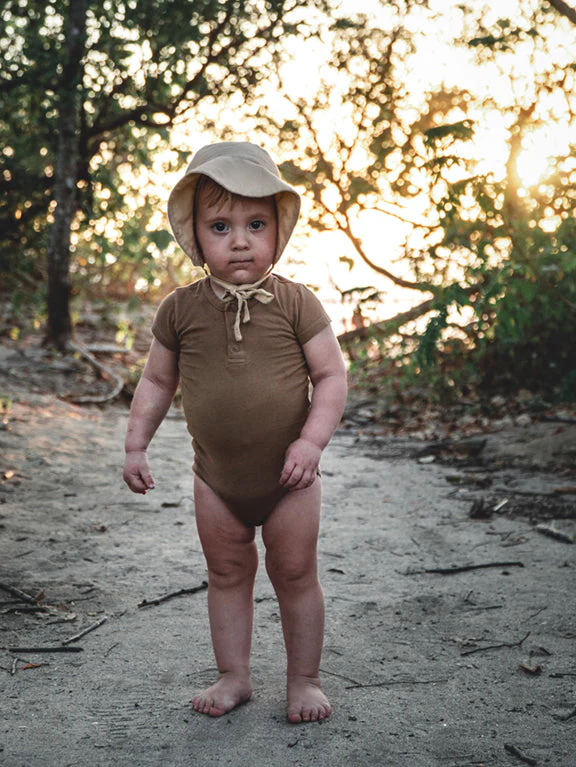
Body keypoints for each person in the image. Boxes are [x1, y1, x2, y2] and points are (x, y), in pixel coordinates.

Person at [123, 142, 348, 723]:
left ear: (279, 229)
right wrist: (136, 445)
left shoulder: (296, 303)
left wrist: (311, 443)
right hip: (216, 480)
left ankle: (304, 680)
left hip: (291, 480)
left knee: (295, 574)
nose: (240, 241)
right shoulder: (180, 309)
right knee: (226, 574)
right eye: (220, 227)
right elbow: (156, 380)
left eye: (256, 224)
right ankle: (234, 675)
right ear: (195, 236)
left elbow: (331, 376)